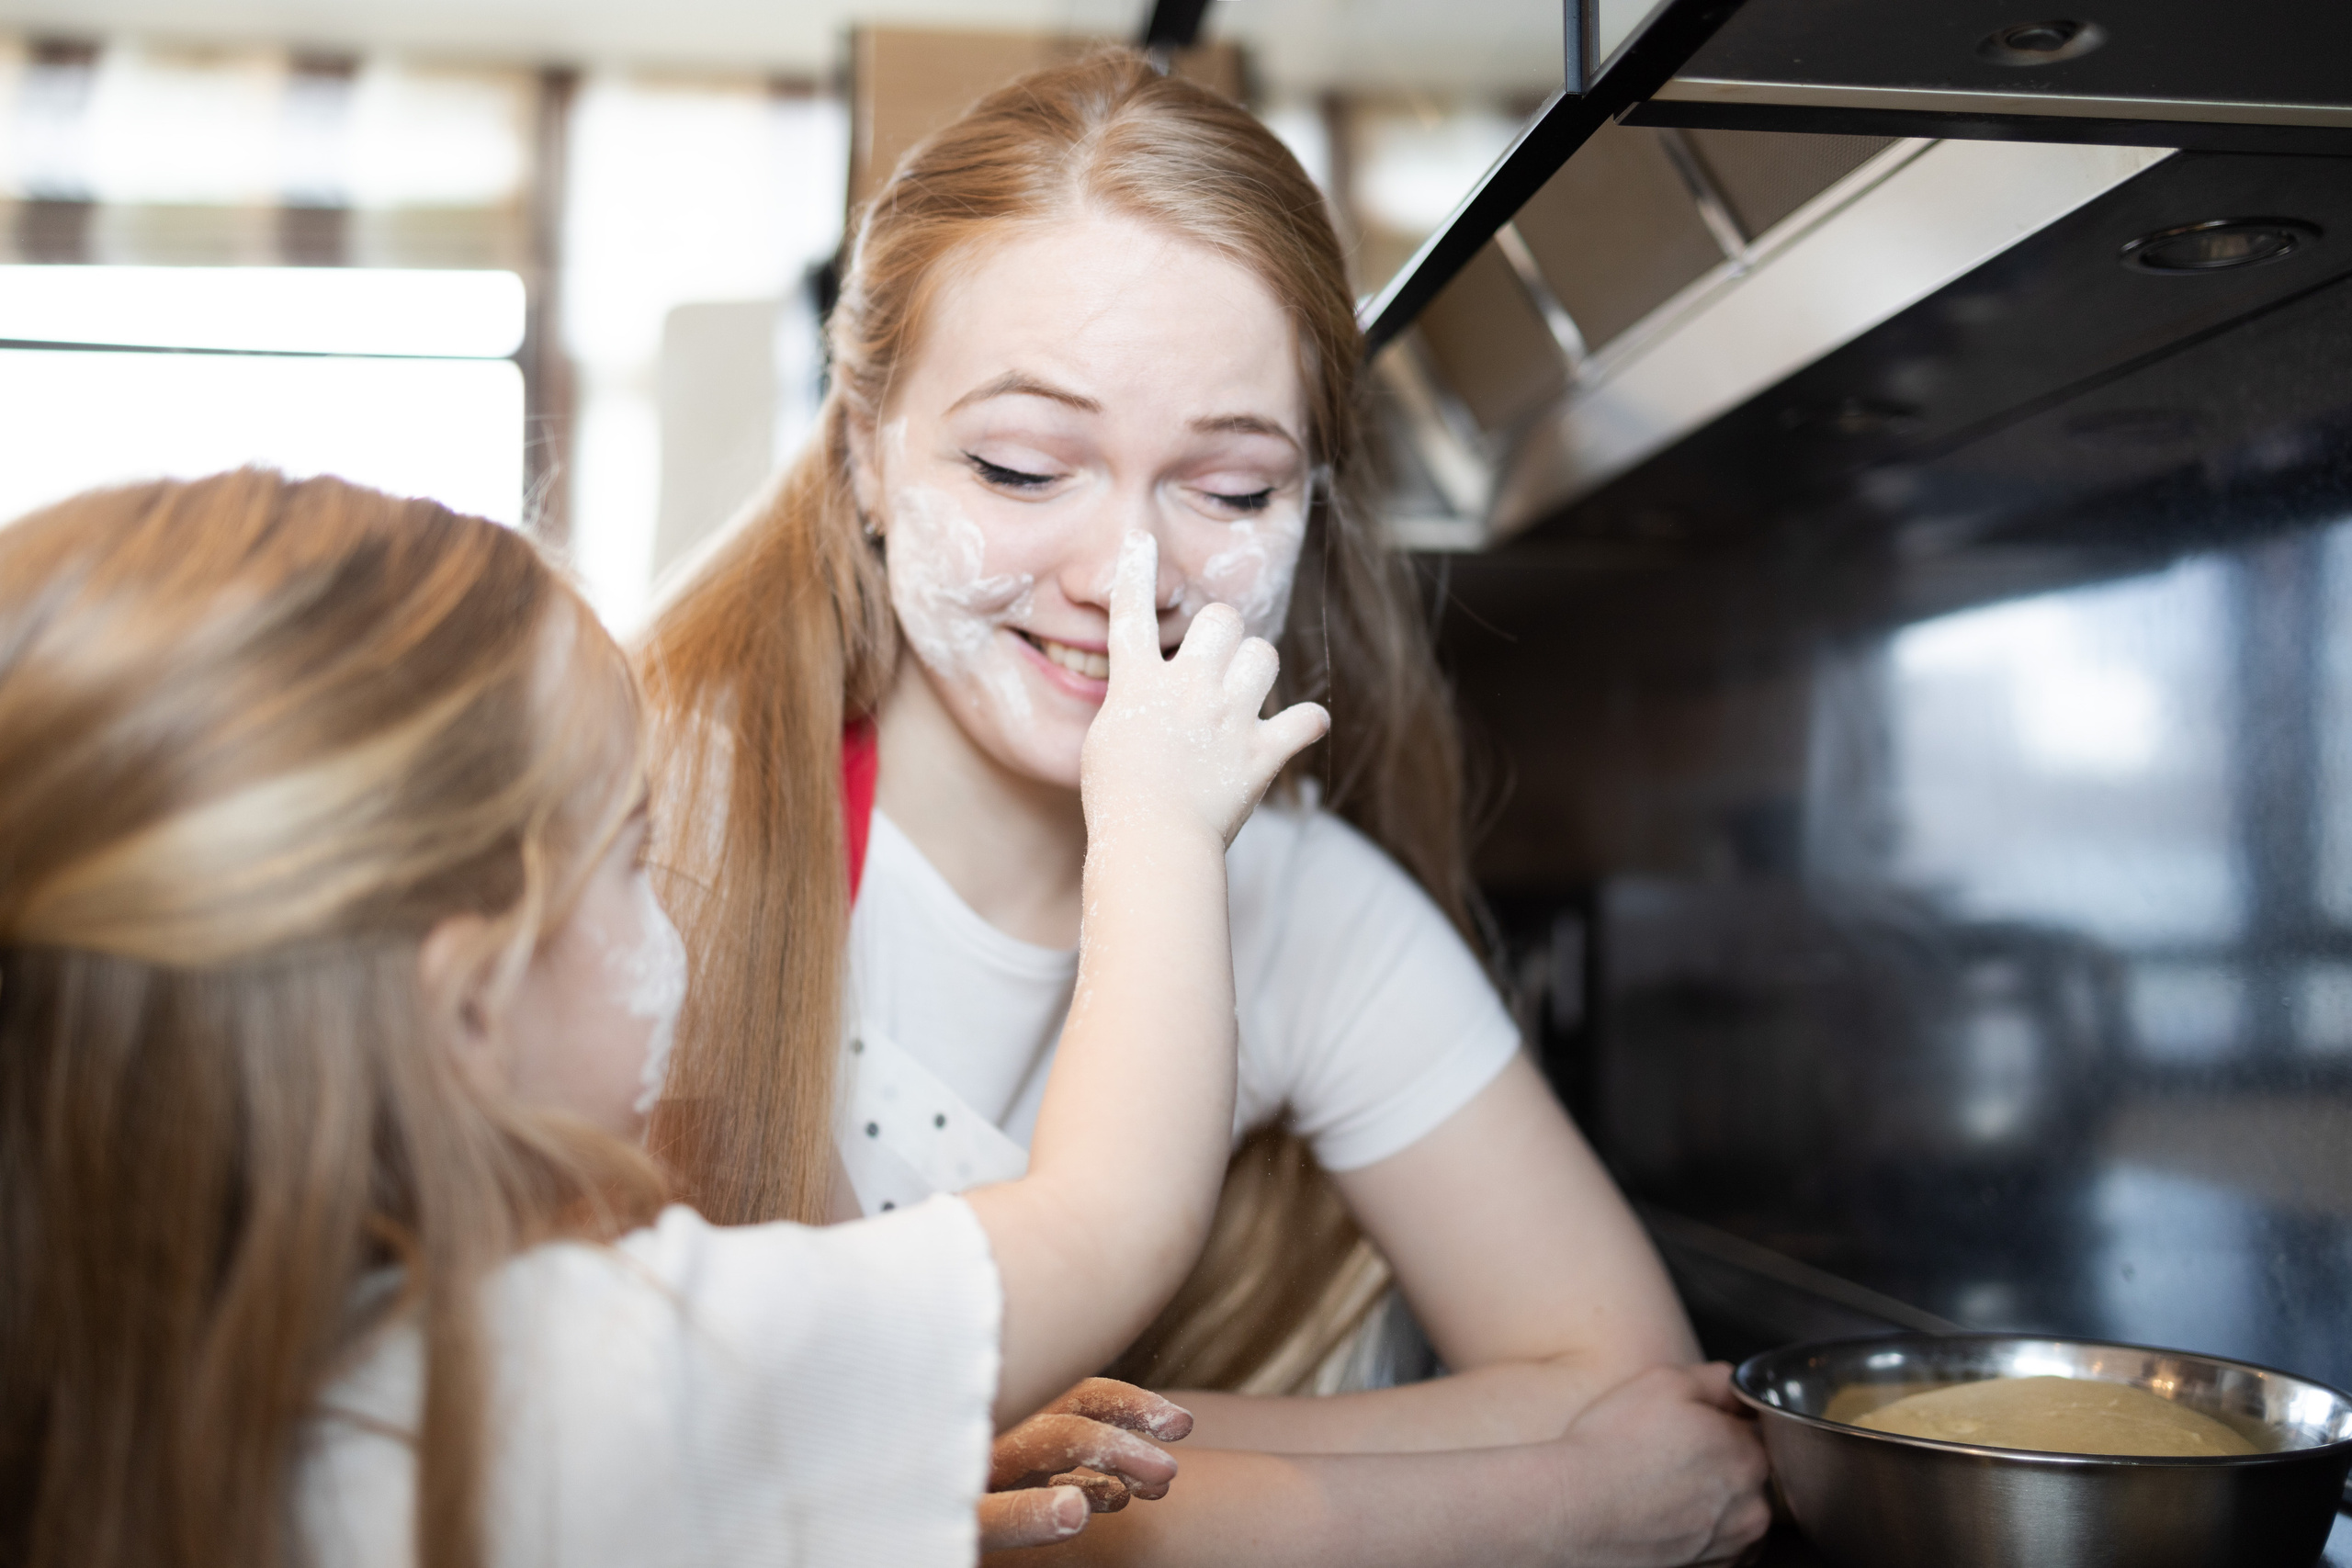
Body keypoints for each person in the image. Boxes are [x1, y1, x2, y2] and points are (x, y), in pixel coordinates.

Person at [639, 48, 1770, 1568]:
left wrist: (1031, 1440)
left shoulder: (1306, 904)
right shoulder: (650, 840)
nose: (1130, 575)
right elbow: (737, 1472)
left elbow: (1632, 1388)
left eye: (1231, 493)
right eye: (1025, 466)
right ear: (863, 454)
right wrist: (1549, 1497)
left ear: (1311, 504)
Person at [0, 469, 1328, 1568]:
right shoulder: (554, 1390)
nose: (675, 909)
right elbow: (1113, 1217)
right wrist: (1154, 818)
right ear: (470, 1008)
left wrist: (834, 1468)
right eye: (633, 856)